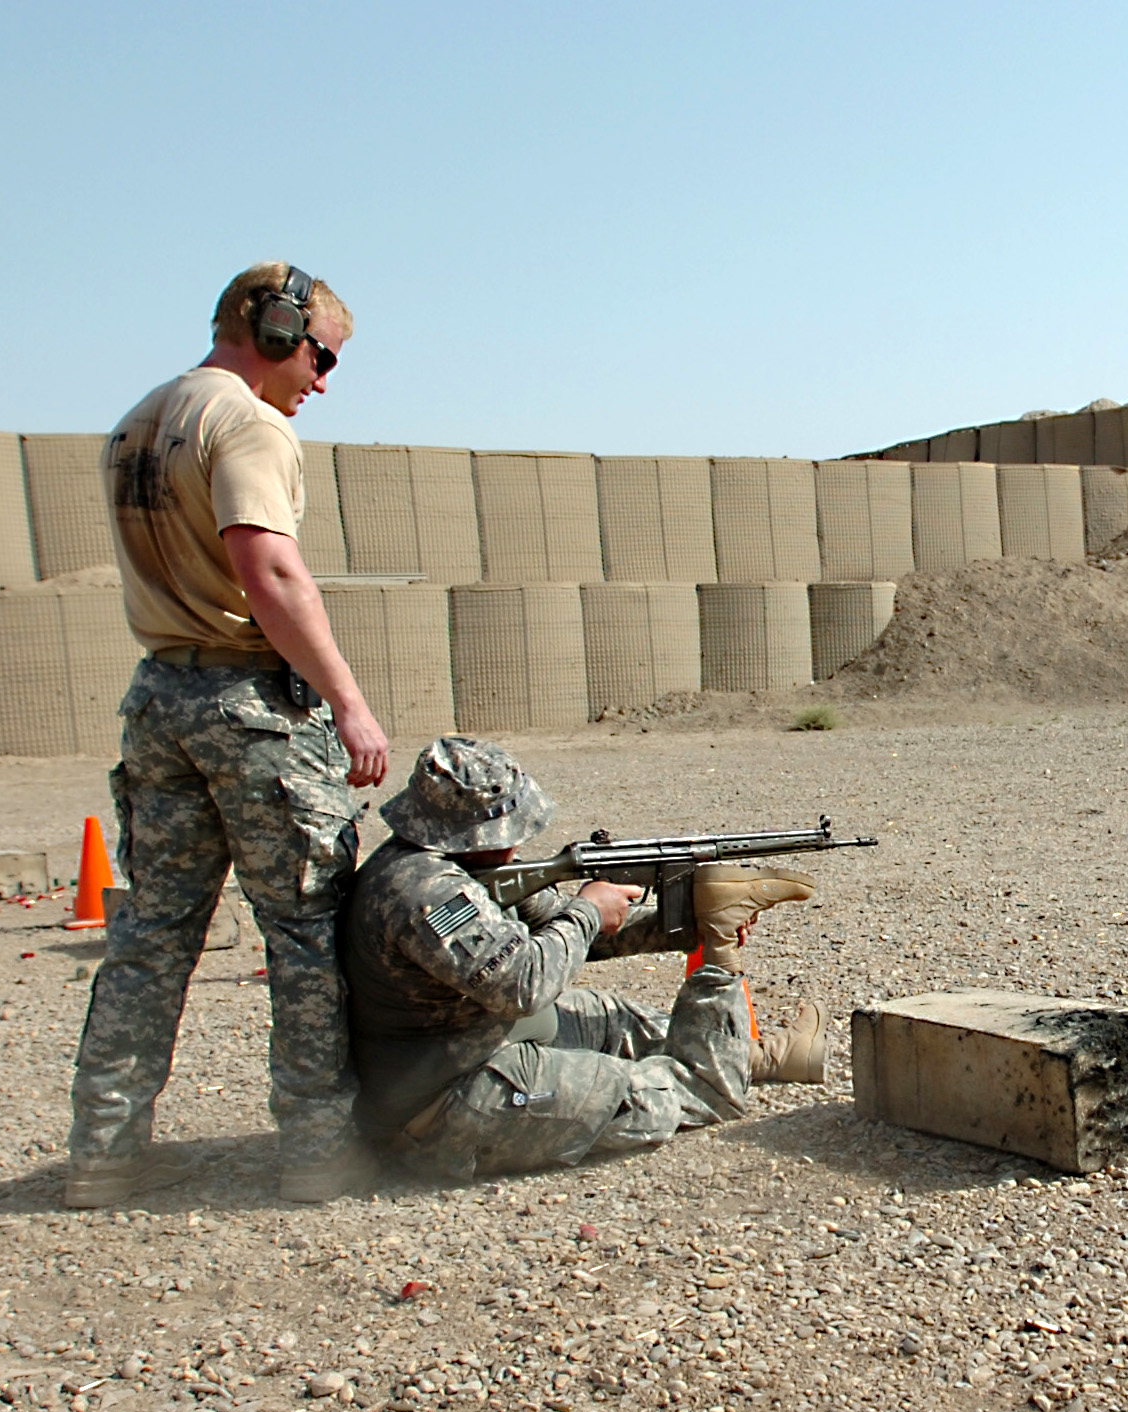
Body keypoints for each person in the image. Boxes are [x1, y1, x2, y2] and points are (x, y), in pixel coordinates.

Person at [65, 262, 390, 1209]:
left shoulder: (141, 417)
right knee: (307, 933)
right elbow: (270, 572)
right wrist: (348, 702)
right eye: (320, 356)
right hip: (248, 706)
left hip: (160, 698)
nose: (321, 382)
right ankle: (318, 1153)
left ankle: (104, 1151)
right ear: (280, 329)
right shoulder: (248, 422)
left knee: (151, 935)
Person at [343, 738, 828, 1180]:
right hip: (446, 1103)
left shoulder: (459, 865)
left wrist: (682, 923)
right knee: (671, 1094)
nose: (516, 843)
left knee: (620, 1021)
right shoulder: (423, 891)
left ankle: (765, 1057)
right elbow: (523, 982)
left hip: (485, 1040)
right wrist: (588, 910)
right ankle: (715, 1078)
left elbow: (563, 931)